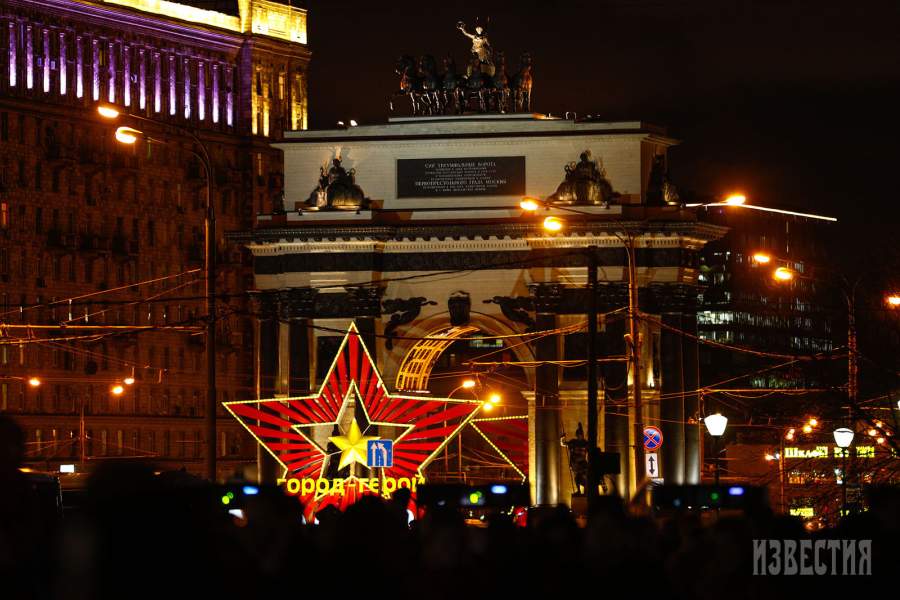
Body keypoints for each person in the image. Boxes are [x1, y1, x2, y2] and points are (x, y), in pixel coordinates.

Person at [561, 423, 589, 495]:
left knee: (585, 476)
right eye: (579, 434)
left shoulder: (585, 443)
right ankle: (578, 490)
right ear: (577, 435)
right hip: (575, 464)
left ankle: (586, 489)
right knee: (577, 478)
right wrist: (562, 438)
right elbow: (563, 444)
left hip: (582, 463)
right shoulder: (573, 442)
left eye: (581, 434)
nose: (580, 436)